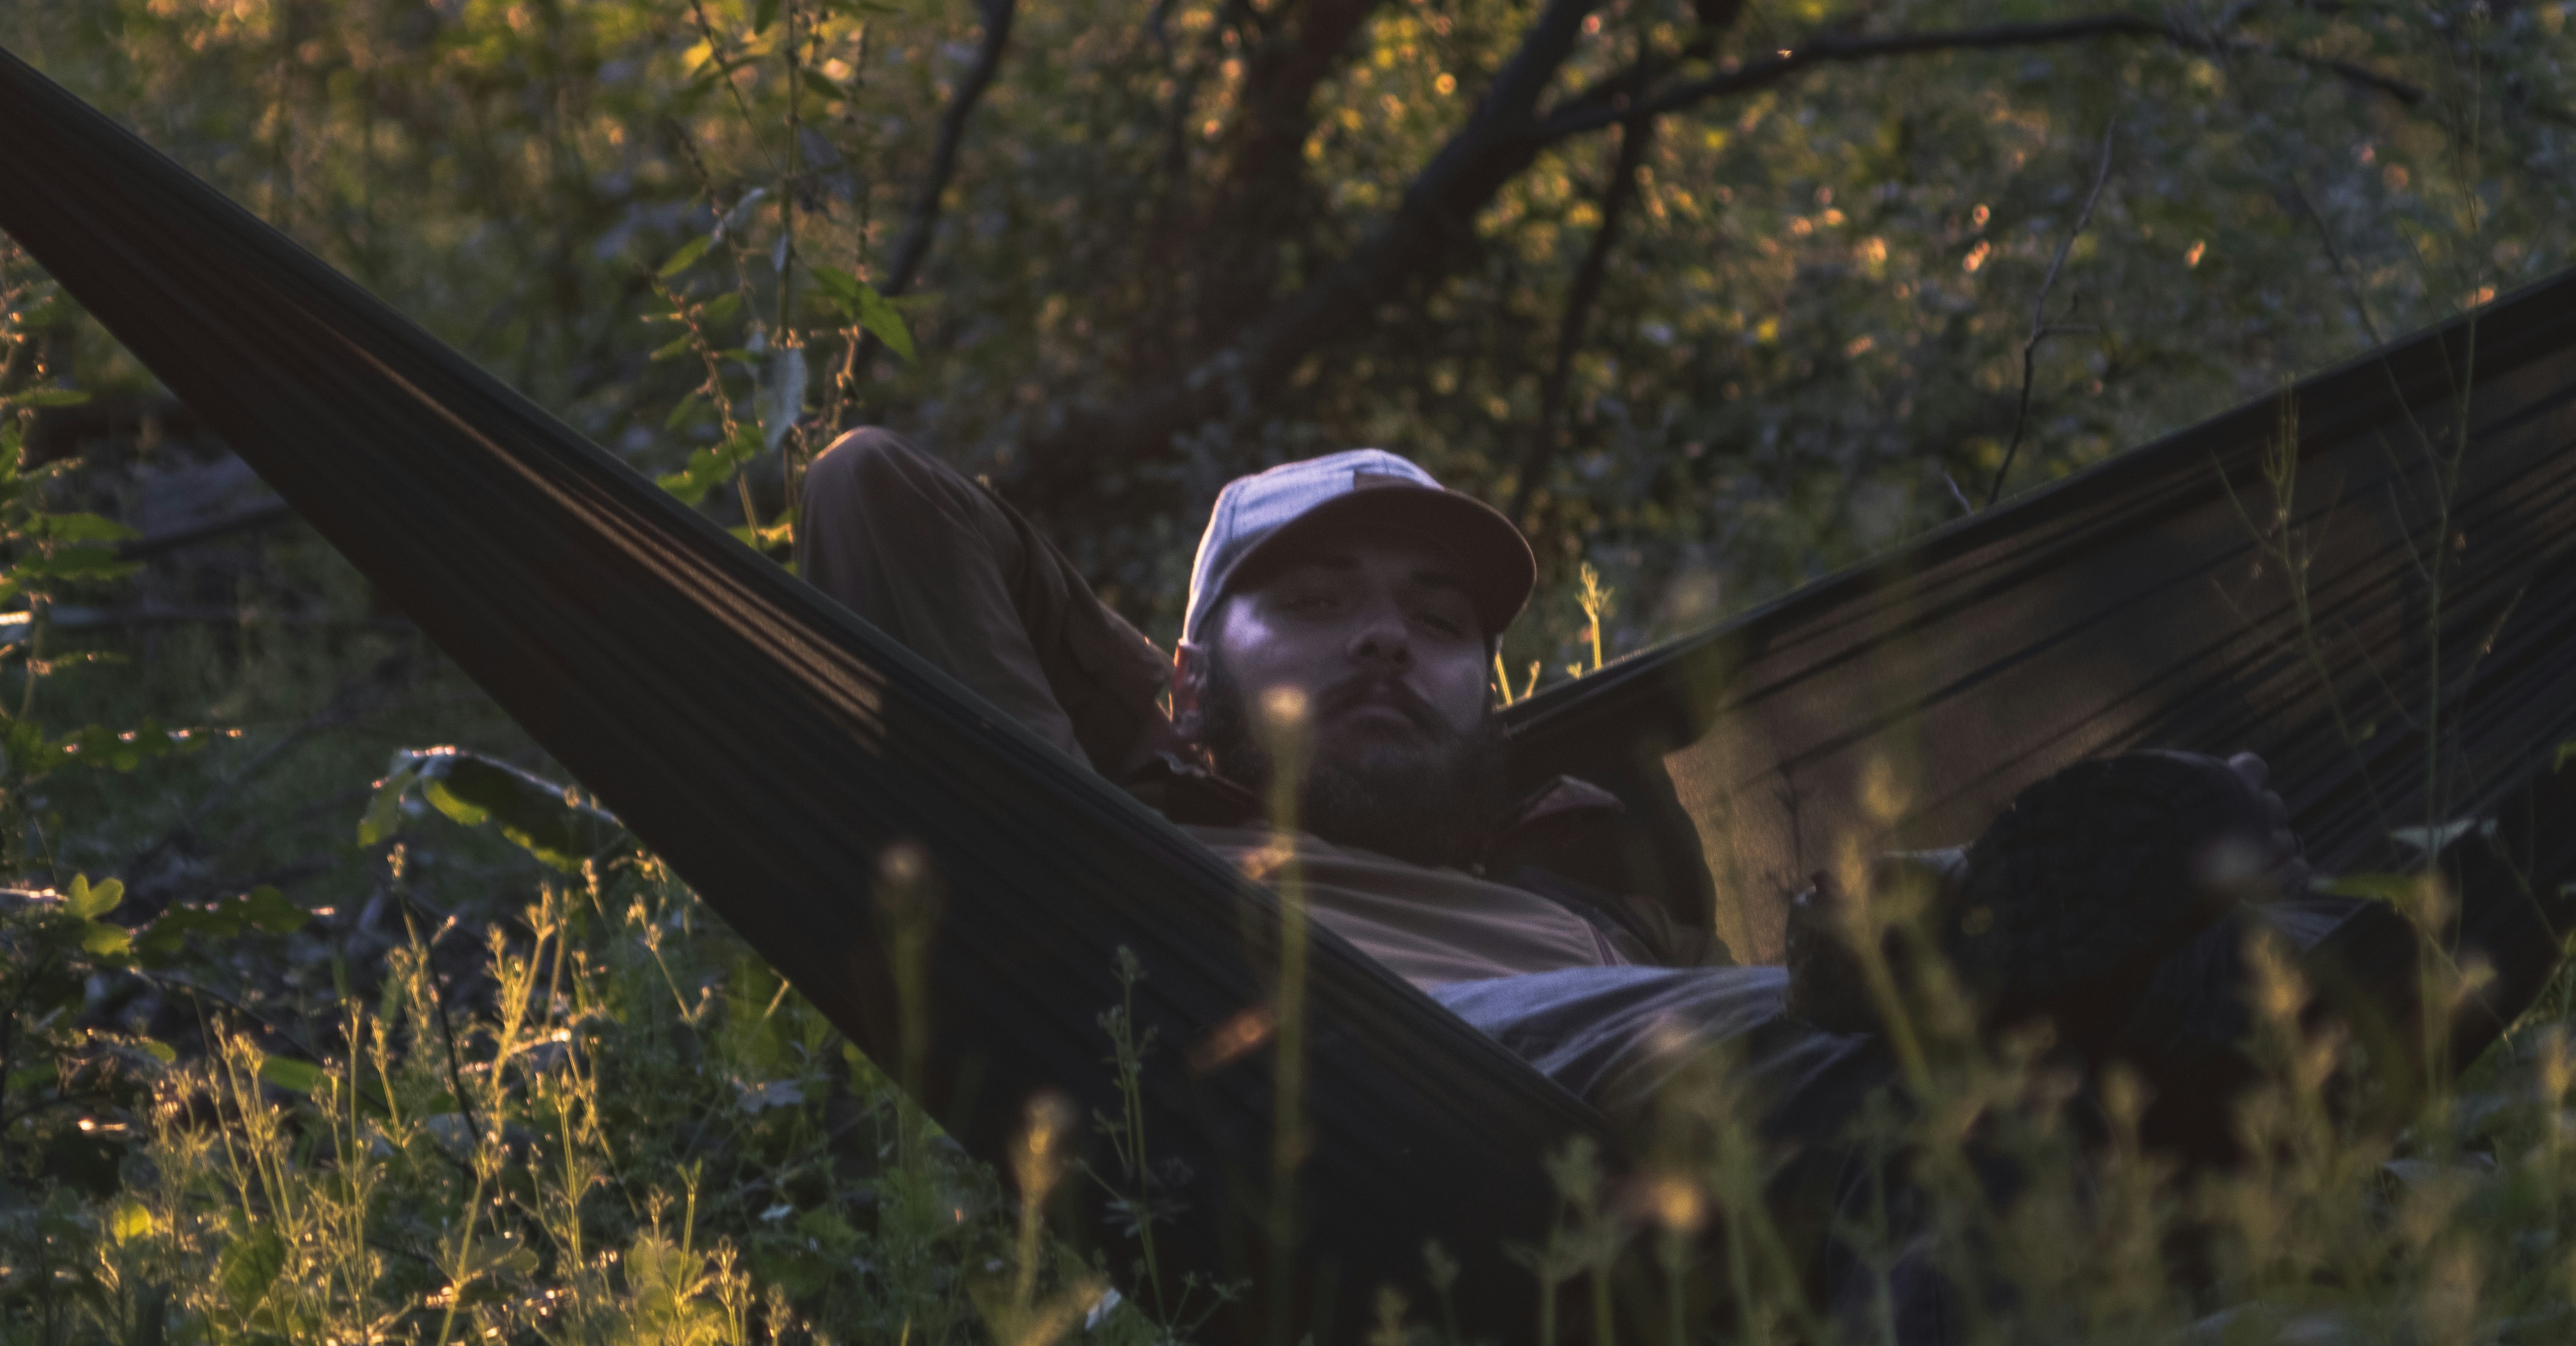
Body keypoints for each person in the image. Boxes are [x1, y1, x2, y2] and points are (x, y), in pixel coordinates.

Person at [796, 429, 2384, 1184]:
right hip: (1373, 1074)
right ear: (1188, 677)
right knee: (1779, 1034)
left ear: (1488, 684)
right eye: (1322, 602)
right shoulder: (1119, 851)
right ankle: (2008, 954)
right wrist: (1173, 711)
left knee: (2069, 1119)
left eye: (1434, 623)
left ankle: (2138, 972)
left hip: (1697, 1075)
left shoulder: (1591, 879)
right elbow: (883, 493)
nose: (1381, 637)